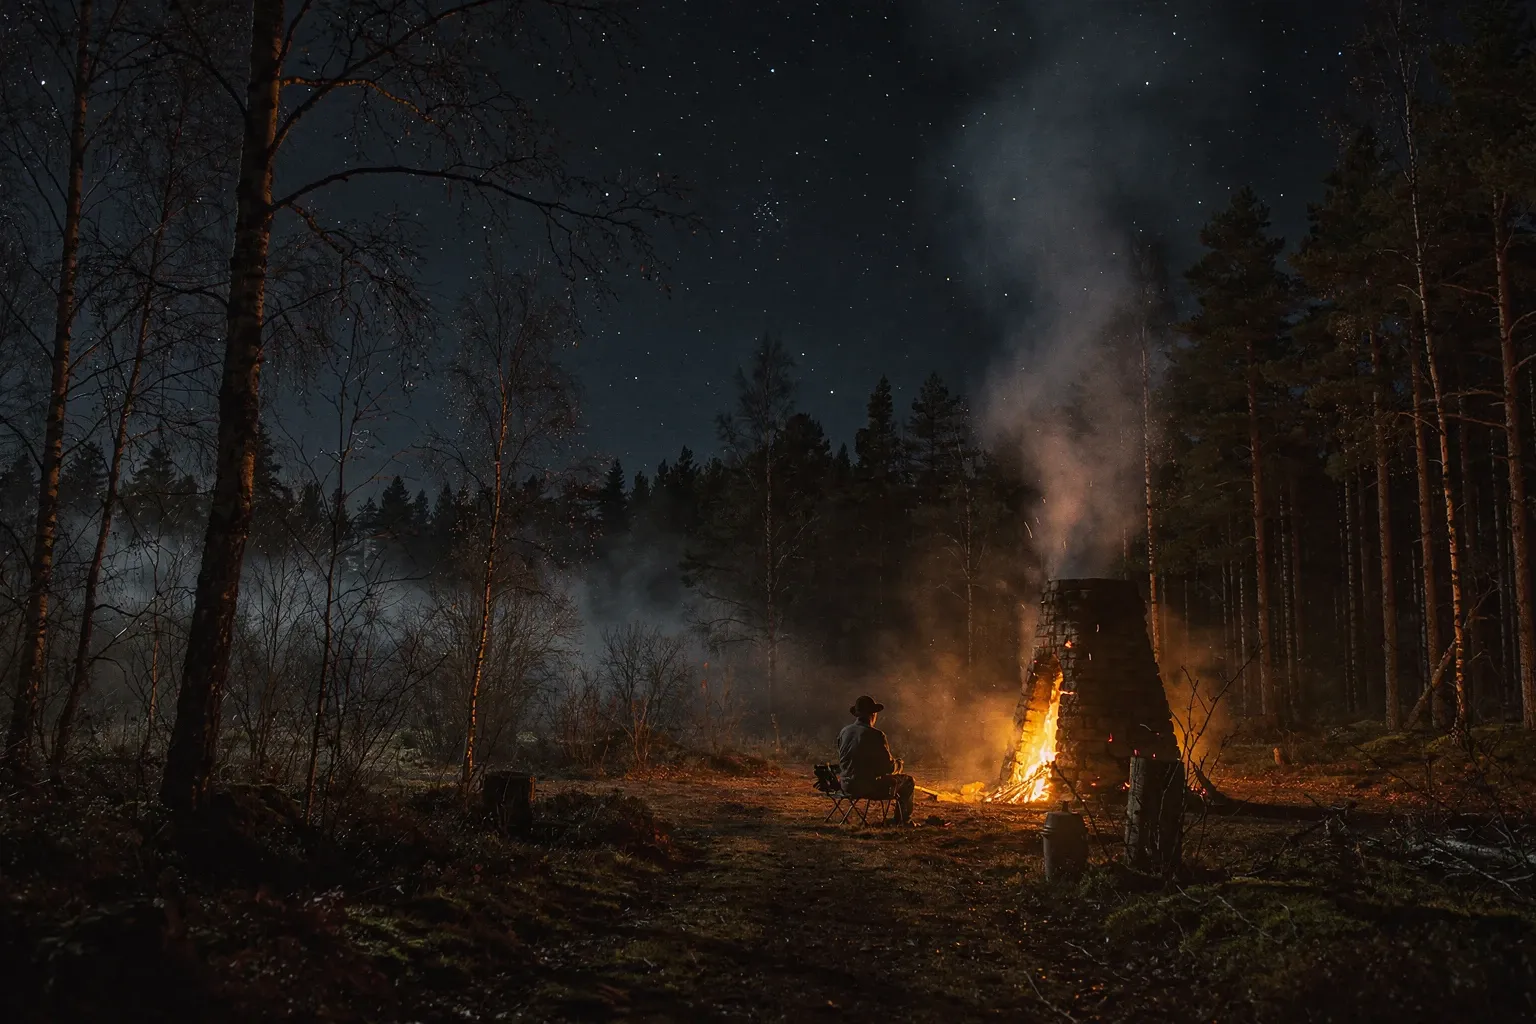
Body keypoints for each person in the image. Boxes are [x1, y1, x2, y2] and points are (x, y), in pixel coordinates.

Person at [836, 695, 916, 824]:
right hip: (867, 787)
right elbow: (887, 768)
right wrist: (899, 765)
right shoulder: (876, 735)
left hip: (846, 785)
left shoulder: (844, 732)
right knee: (908, 781)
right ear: (873, 714)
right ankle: (903, 821)